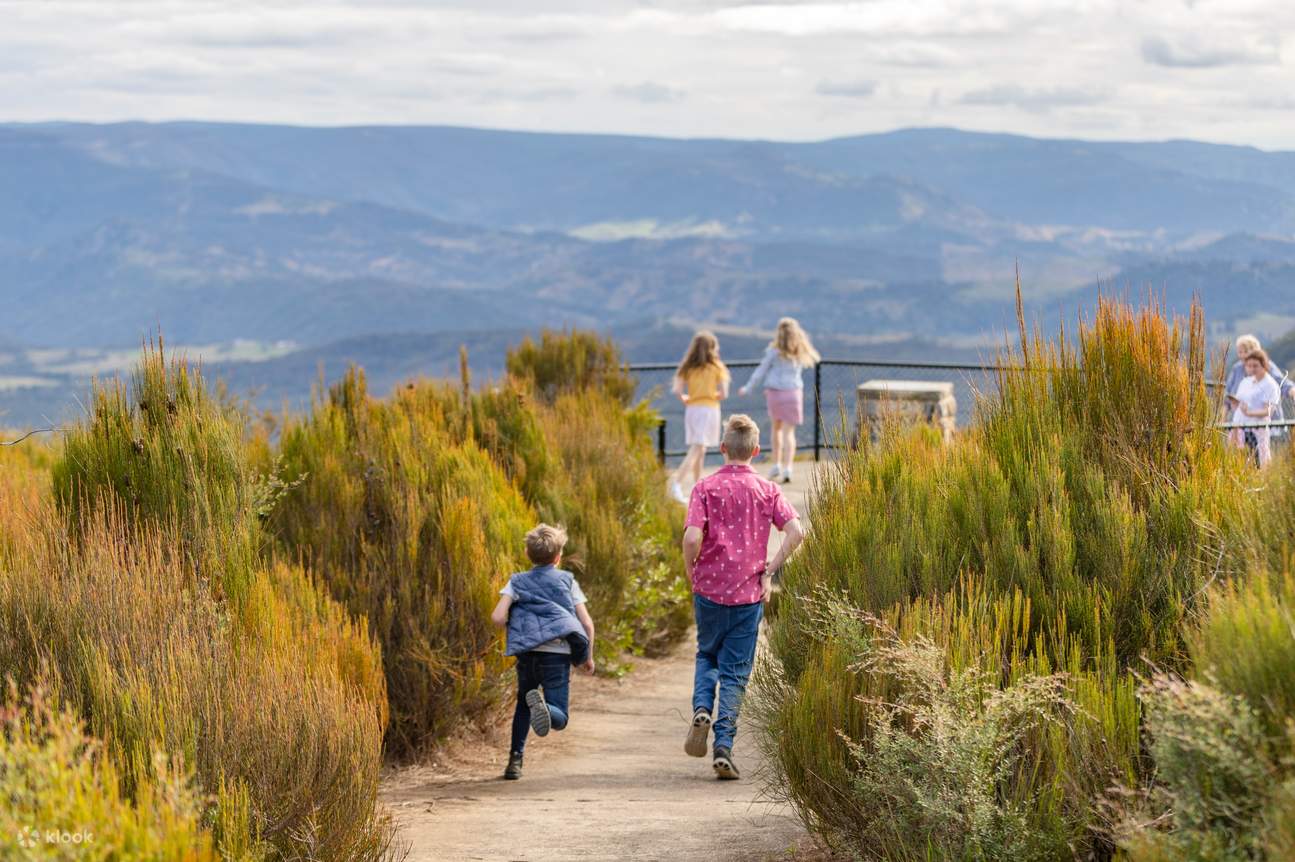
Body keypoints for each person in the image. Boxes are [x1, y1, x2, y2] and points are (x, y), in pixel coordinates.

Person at [681, 414, 804, 780]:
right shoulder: (768, 490)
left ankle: (702, 707)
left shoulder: (705, 487)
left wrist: (692, 570)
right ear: (756, 450)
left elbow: (690, 538)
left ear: (722, 449)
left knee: (706, 654)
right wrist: (770, 569)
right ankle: (723, 747)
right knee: (735, 673)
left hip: (709, 591)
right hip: (748, 595)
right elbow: (796, 531)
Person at [490, 523, 596, 781]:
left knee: (523, 706)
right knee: (559, 716)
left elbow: (497, 616)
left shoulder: (516, 581)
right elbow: (586, 622)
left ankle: (515, 762)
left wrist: (515, 624)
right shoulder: (567, 581)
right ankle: (548, 712)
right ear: (558, 557)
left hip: (527, 654)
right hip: (556, 656)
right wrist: (587, 656)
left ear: (527, 553)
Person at [738, 318, 820, 483]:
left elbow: (761, 371)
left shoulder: (774, 351)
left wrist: (747, 388)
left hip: (775, 393)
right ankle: (788, 468)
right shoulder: (799, 351)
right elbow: (815, 358)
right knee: (790, 433)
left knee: (777, 430)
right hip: (793, 393)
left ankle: (776, 463)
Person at [669, 331, 730, 504]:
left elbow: (677, 390)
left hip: (692, 409)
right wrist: (711, 396)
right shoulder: (717, 367)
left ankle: (698, 488)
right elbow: (724, 393)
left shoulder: (687, 367)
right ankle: (676, 483)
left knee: (700, 449)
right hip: (709, 409)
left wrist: (688, 399)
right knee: (698, 447)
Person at [1226, 334, 1292, 429]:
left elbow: (1283, 384)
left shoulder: (1267, 367)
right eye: (1240, 352)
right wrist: (1222, 418)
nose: (1243, 355)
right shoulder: (1237, 369)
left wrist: (1292, 392)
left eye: (1246, 351)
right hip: (1242, 424)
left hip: (1268, 424)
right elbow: (1228, 395)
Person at [1229, 347, 1281, 468]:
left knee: (1258, 463)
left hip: (1256, 430)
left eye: (1255, 365)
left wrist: (1249, 413)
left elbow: (1269, 410)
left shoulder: (1270, 385)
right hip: (1240, 428)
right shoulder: (1246, 381)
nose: (1252, 369)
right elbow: (1240, 402)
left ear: (1264, 365)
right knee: (1239, 463)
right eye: (1249, 365)